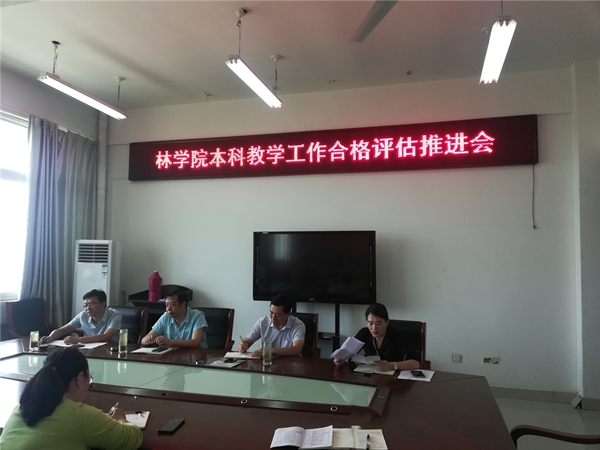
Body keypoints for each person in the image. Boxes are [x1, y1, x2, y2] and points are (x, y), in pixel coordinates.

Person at [0, 348, 142, 450]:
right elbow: (133, 439)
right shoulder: (80, 415)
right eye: (88, 378)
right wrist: (120, 418)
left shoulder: (21, 407)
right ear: (80, 378)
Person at [333, 303, 421, 371]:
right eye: (370, 323)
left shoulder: (398, 335)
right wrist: (340, 359)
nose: (374, 328)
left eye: (378, 323)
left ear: (387, 322)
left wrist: (392, 365)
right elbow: (347, 353)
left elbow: (416, 363)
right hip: (372, 376)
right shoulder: (364, 333)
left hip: (394, 378)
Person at [41, 289, 122, 344]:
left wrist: (78, 339)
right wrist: (50, 337)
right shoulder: (82, 316)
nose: (88, 308)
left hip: (110, 349)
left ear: (103, 304)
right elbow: (62, 330)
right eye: (85, 305)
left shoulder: (115, 315)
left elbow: (106, 337)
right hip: (90, 348)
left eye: (92, 304)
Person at [238, 294, 305, 357]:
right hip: (267, 362)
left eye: (278, 315)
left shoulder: (298, 325)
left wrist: (269, 350)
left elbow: (297, 349)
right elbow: (247, 341)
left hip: (289, 362)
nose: (273, 318)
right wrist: (243, 346)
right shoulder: (262, 322)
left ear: (288, 314)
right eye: (271, 312)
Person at [141, 290, 208, 348]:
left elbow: (195, 342)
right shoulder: (166, 317)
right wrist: (147, 339)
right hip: (172, 355)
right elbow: (144, 340)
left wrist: (170, 342)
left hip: (195, 356)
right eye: (167, 305)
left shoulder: (197, 316)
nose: (168, 309)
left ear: (183, 304)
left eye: (172, 305)